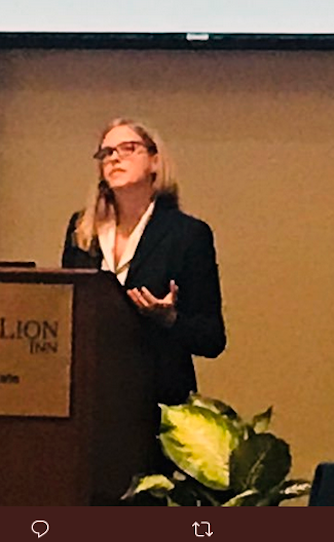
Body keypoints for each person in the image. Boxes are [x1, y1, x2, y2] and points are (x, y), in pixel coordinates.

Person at [61, 118, 226, 410]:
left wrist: (169, 319)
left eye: (128, 148)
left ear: (154, 161)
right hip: (91, 396)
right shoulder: (82, 231)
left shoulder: (187, 235)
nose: (115, 158)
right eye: (107, 153)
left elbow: (212, 339)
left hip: (158, 397)